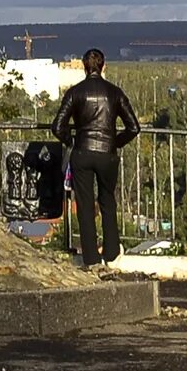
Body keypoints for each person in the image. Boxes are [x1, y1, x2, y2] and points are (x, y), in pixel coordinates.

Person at [52, 47, 141, 266]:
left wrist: (71, 141)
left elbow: (57, 126)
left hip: (82, 153)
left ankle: (91, 257)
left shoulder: (75, 93)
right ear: (103, 66)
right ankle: (111, 252)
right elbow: (134, 127)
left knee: (84, 204)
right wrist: (114, 142)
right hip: (107, 155)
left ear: (84, 66)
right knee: (107, 201)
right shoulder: (115, 92)